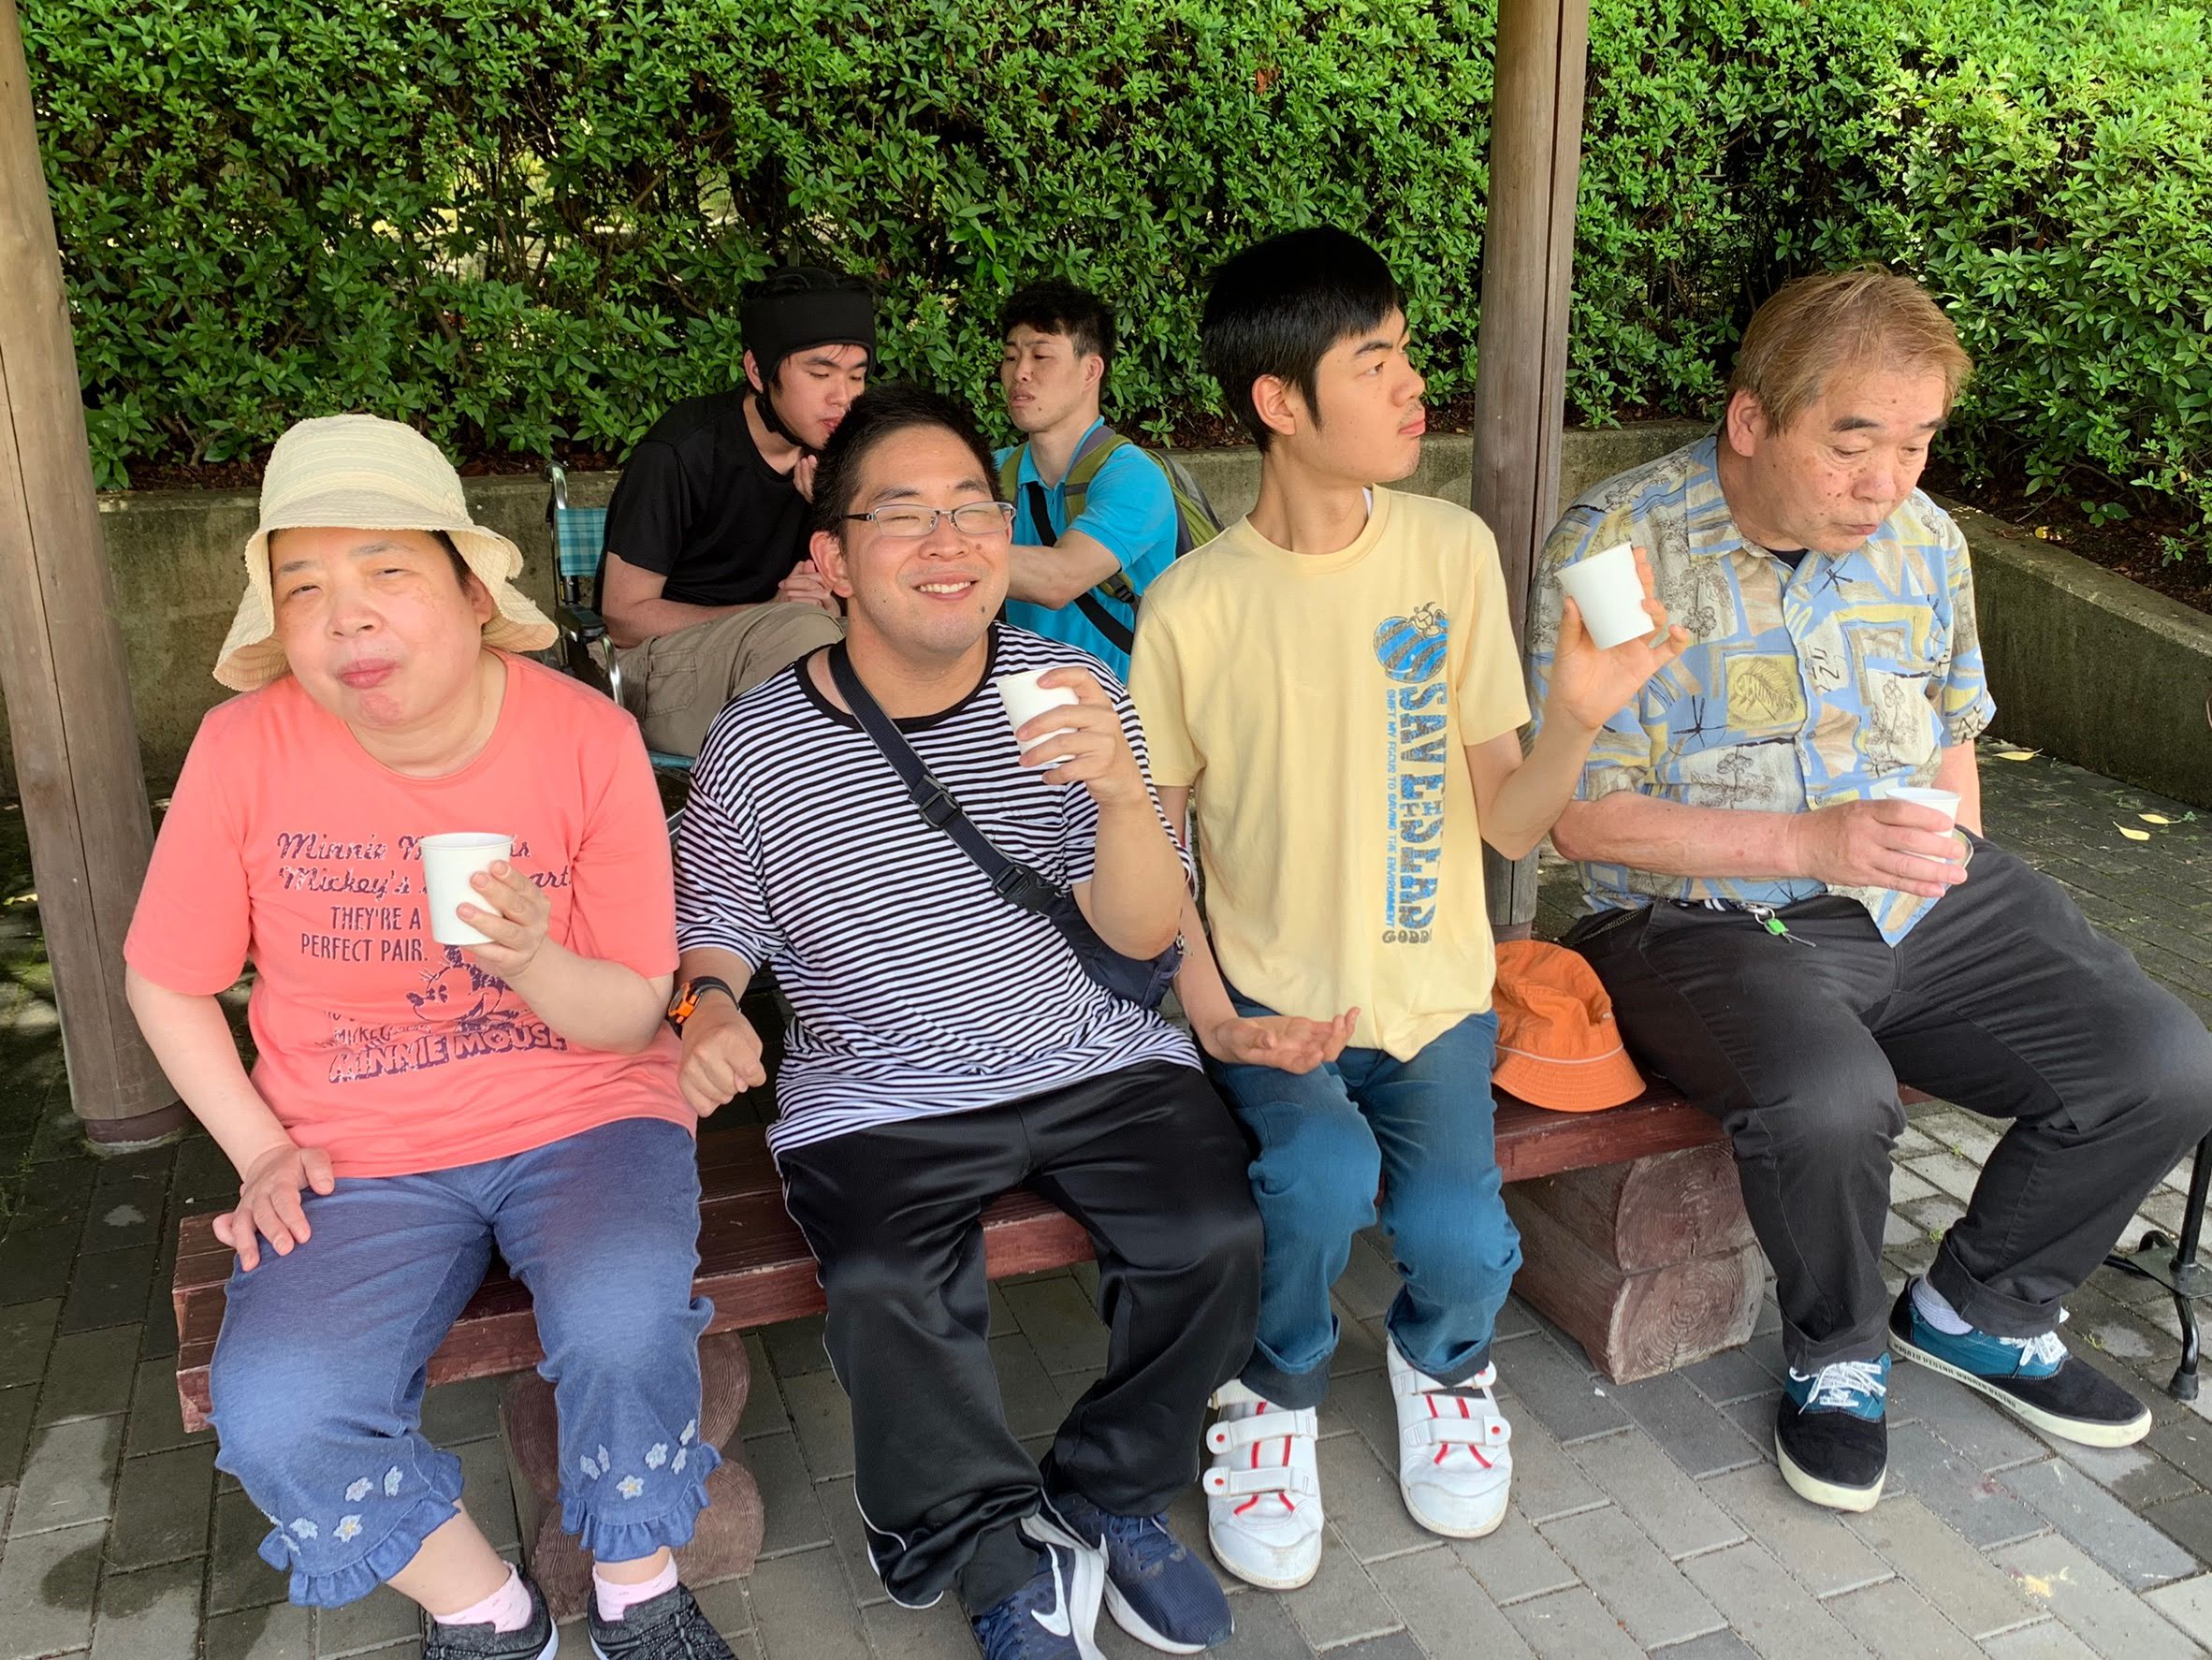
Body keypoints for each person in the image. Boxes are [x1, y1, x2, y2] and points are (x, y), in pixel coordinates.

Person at [1528, 269, 2212, 1514]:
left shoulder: (1927, 539)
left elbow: (1952, 733)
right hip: (1695, 917)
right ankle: (1837, 1351)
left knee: (2162, 1059)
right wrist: (1812, 840)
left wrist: (1959, 869)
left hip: (1909, 893)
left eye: (1916, 443)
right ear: (1751, 419)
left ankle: (1979, 1308)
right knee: (1835, 1098)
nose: (1886, 480)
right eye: (1854, 443)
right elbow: (1579, 813)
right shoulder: (1618, 549)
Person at [123, 415, 738, 1660]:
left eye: (386, 570)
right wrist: (257, 1147)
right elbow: (165, 979)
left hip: (586, 1112)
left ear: (472, 590)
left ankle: (638, 1584)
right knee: (279, 1406)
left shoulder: (586, 736)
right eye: (303, 586)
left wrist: (533, 960)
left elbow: (638, 1005)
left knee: (623, 1318)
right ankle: (488, 1611)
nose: (345, 615)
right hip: (354, 1146)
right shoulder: (244, 745)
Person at [1127, 227, 1686, 1592]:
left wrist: (1576, 716)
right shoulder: (1191, 606)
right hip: (1275, 1002)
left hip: (1434, 995)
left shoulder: (1450, 549)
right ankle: (1271, 1389)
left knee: (1455, 1235)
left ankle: (1445, 1364)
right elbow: (1157, 846)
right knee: (1314, 1178)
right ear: (1280, 401)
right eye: (1372, 361)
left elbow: (1509, 819)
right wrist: (1219, 1020)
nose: (1411, 382)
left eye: (1404, 352)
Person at [669, 383, 1263, 1659]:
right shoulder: (757, 743)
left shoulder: (1073, 686)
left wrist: (1123, 793)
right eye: (902, 513)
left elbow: (1145, 933)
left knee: (1215, 1235)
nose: (949, 540)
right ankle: (982, 1542)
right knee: (892, 1286)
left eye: (972, 509)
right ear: (832, 560)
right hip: (880, 1084)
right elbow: (711, 917)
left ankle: (1106, 1486)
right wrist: (706, 1003)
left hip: (1096, 1051)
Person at [598, 265, 874, 756]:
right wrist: (771, 612)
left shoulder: (841, 456)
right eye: (820, 374)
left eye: (857, 376)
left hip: (789, 654)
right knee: (807, 634)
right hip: (659, 670)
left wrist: (832, 512)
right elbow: (624, 618)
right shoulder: (682, 451)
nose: (844, 398)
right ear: (758, 371)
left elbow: (870, 595)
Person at [997, 279, 1184, 680]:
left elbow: (1059, 579)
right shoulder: (989, 474)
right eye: (1011, 357)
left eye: (1041, 356)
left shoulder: (1134, 478)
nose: (1020, 373)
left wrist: (934, 556)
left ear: (1090, 370)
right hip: (1021, 706)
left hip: (1123, 709)